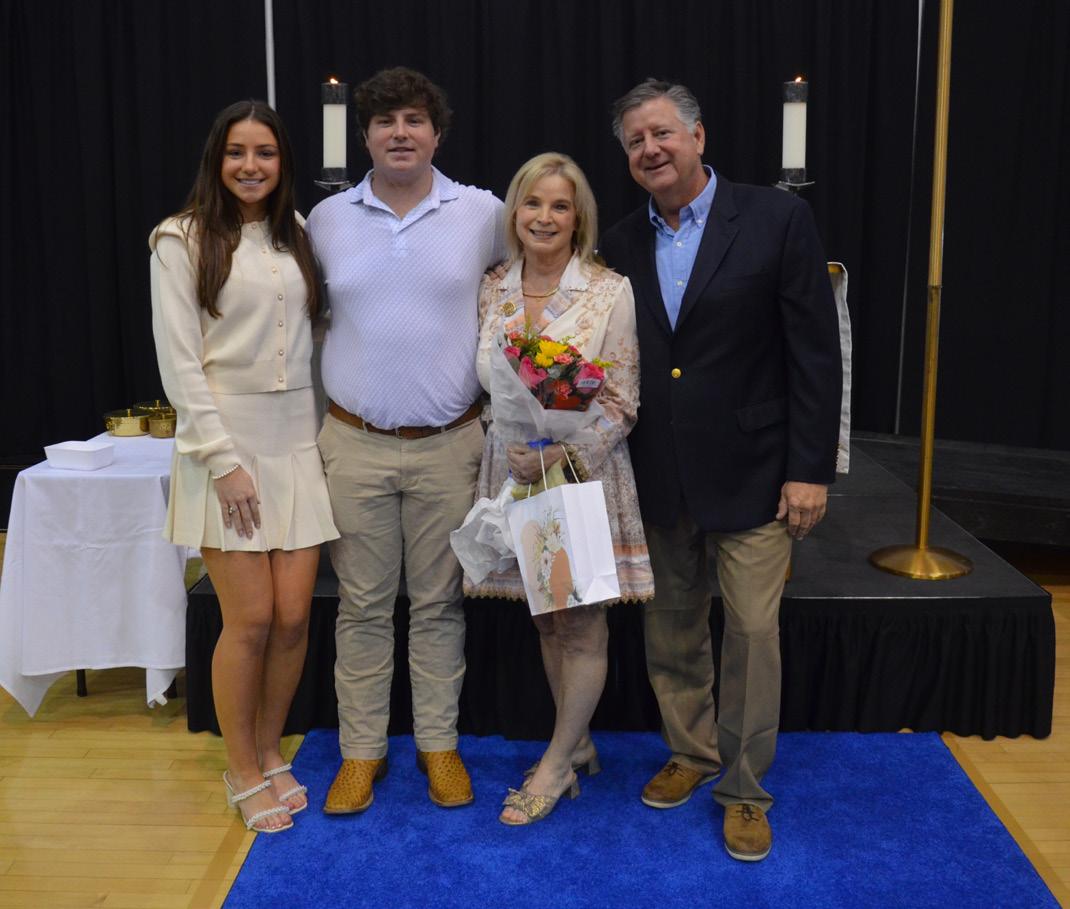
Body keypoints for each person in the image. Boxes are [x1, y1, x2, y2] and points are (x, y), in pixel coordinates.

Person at [599, 80, 842, 861]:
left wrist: (810, 469)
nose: (650, 149)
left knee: (753, 633)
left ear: (698, 137)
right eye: (635, 141)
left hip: (758, 474)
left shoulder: (776, 219)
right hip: (660, 473)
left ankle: (744, 788)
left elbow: (815, 355)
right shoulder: (619, 242)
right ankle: (692, 751)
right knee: (671, 629)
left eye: (662, 133)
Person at [307, 67, 504, 814]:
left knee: (439, 605)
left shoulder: (481, 212)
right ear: (364, 136)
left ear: (437, 134)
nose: (400, 133)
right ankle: (361, 754)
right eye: (385, 121)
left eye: (414, 120)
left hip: (450, 444)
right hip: (352, 443)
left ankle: (437, 745)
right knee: (360, 608)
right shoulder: (327, 219)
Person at [150, 100, 339, 833]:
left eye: (265, 152)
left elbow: (312, 341)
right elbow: (180, 364)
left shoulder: (298, 233)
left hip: (298, 443)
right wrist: (223, 462)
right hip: (225, 446)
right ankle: (241, 766)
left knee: (293, 618)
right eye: (237, 152)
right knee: (251, 618)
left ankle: (268, 747)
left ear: (283, 162)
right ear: (217, 158)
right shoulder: (180, 238)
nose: (251, 166)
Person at [466, 152, 655, 824]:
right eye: (532, 203)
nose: (544, 217)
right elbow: (487, 386)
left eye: (559, 206)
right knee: (547, 618)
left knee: (580, 621)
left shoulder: (607, 291)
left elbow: (623, 400)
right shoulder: (493, 286)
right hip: (511, 470)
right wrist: (502, 440)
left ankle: (555, 762)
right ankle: (574, 745)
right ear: (514, 213)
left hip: (579, 476)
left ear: (579, 220)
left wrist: (560, 456)